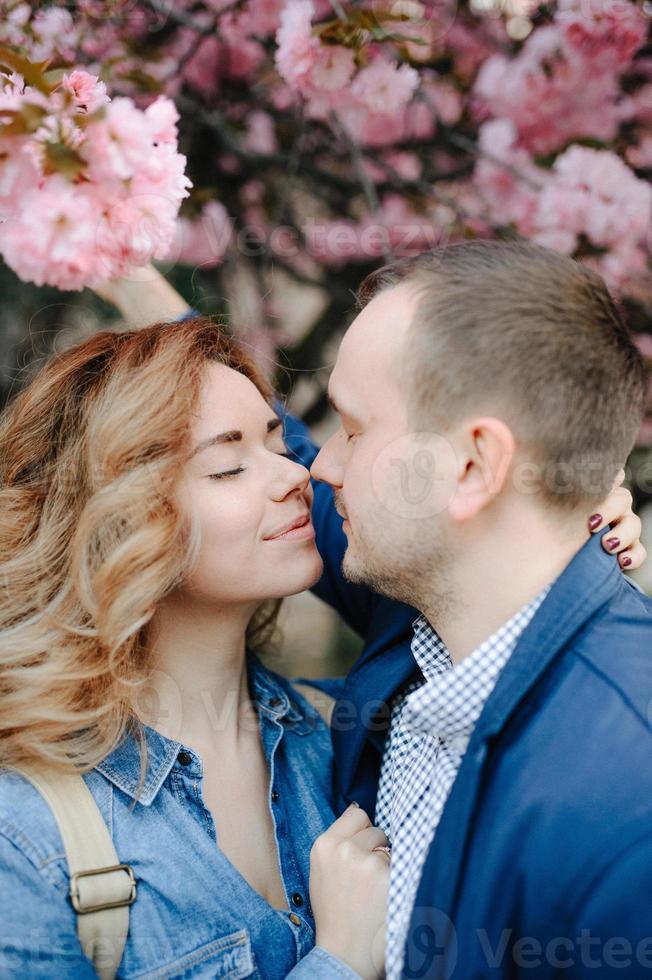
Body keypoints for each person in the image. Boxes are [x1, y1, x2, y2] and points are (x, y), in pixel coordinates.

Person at [95, 240, 648, 980]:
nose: (314, 470)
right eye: (233, 466)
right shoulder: (414, 609)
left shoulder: (624, 797)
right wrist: (105, 247)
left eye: (352, 431)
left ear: (474, 467)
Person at [0, 316, 390, 979]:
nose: (295, 477)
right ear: (119, 519)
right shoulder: (26, 830)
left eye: (276, 442)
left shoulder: (342, 741)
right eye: (229, 465)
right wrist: (342, 963)